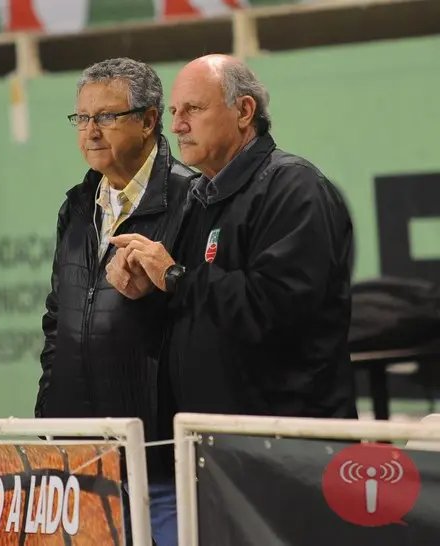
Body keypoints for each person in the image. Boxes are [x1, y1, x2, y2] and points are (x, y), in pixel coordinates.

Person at [107, 54, 357, 423]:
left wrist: (175, 277)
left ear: (244, 111)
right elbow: (189, 317)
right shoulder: (196, 199)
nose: (176, 125)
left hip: (286, 439)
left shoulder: (294, 187)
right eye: (174, 111)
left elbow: (274, 310)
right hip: (208, 437)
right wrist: (146, 292)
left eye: (193, 109)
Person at [35, 57, 193, 545]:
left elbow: (200, 315)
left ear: (149, 121)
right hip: (82, 455)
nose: (90, 131)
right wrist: (49, 417)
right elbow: (58, 320)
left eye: (106, 116)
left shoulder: (192, 199)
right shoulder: (77, 206)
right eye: (82, 118)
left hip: (160, 457)